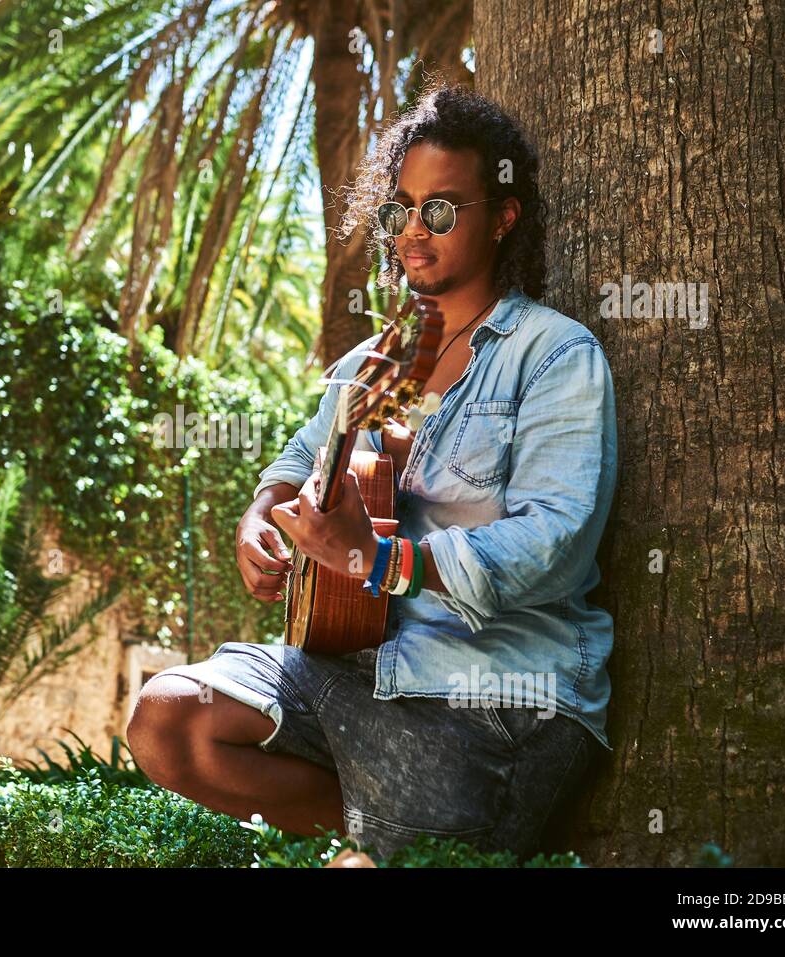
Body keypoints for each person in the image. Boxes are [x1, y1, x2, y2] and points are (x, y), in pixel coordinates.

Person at [126, 83, 618, 862]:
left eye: (442, 210)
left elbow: (555, 541)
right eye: (399, 211)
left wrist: (377, 558)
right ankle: (369, 833)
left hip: (493, 693)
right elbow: (296, 460)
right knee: (168, 717)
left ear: (504, 217)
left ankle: (385, 844)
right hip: (354, 668)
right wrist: (262, 515)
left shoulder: (554, 355)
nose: (413, 232)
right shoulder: (369, 364)